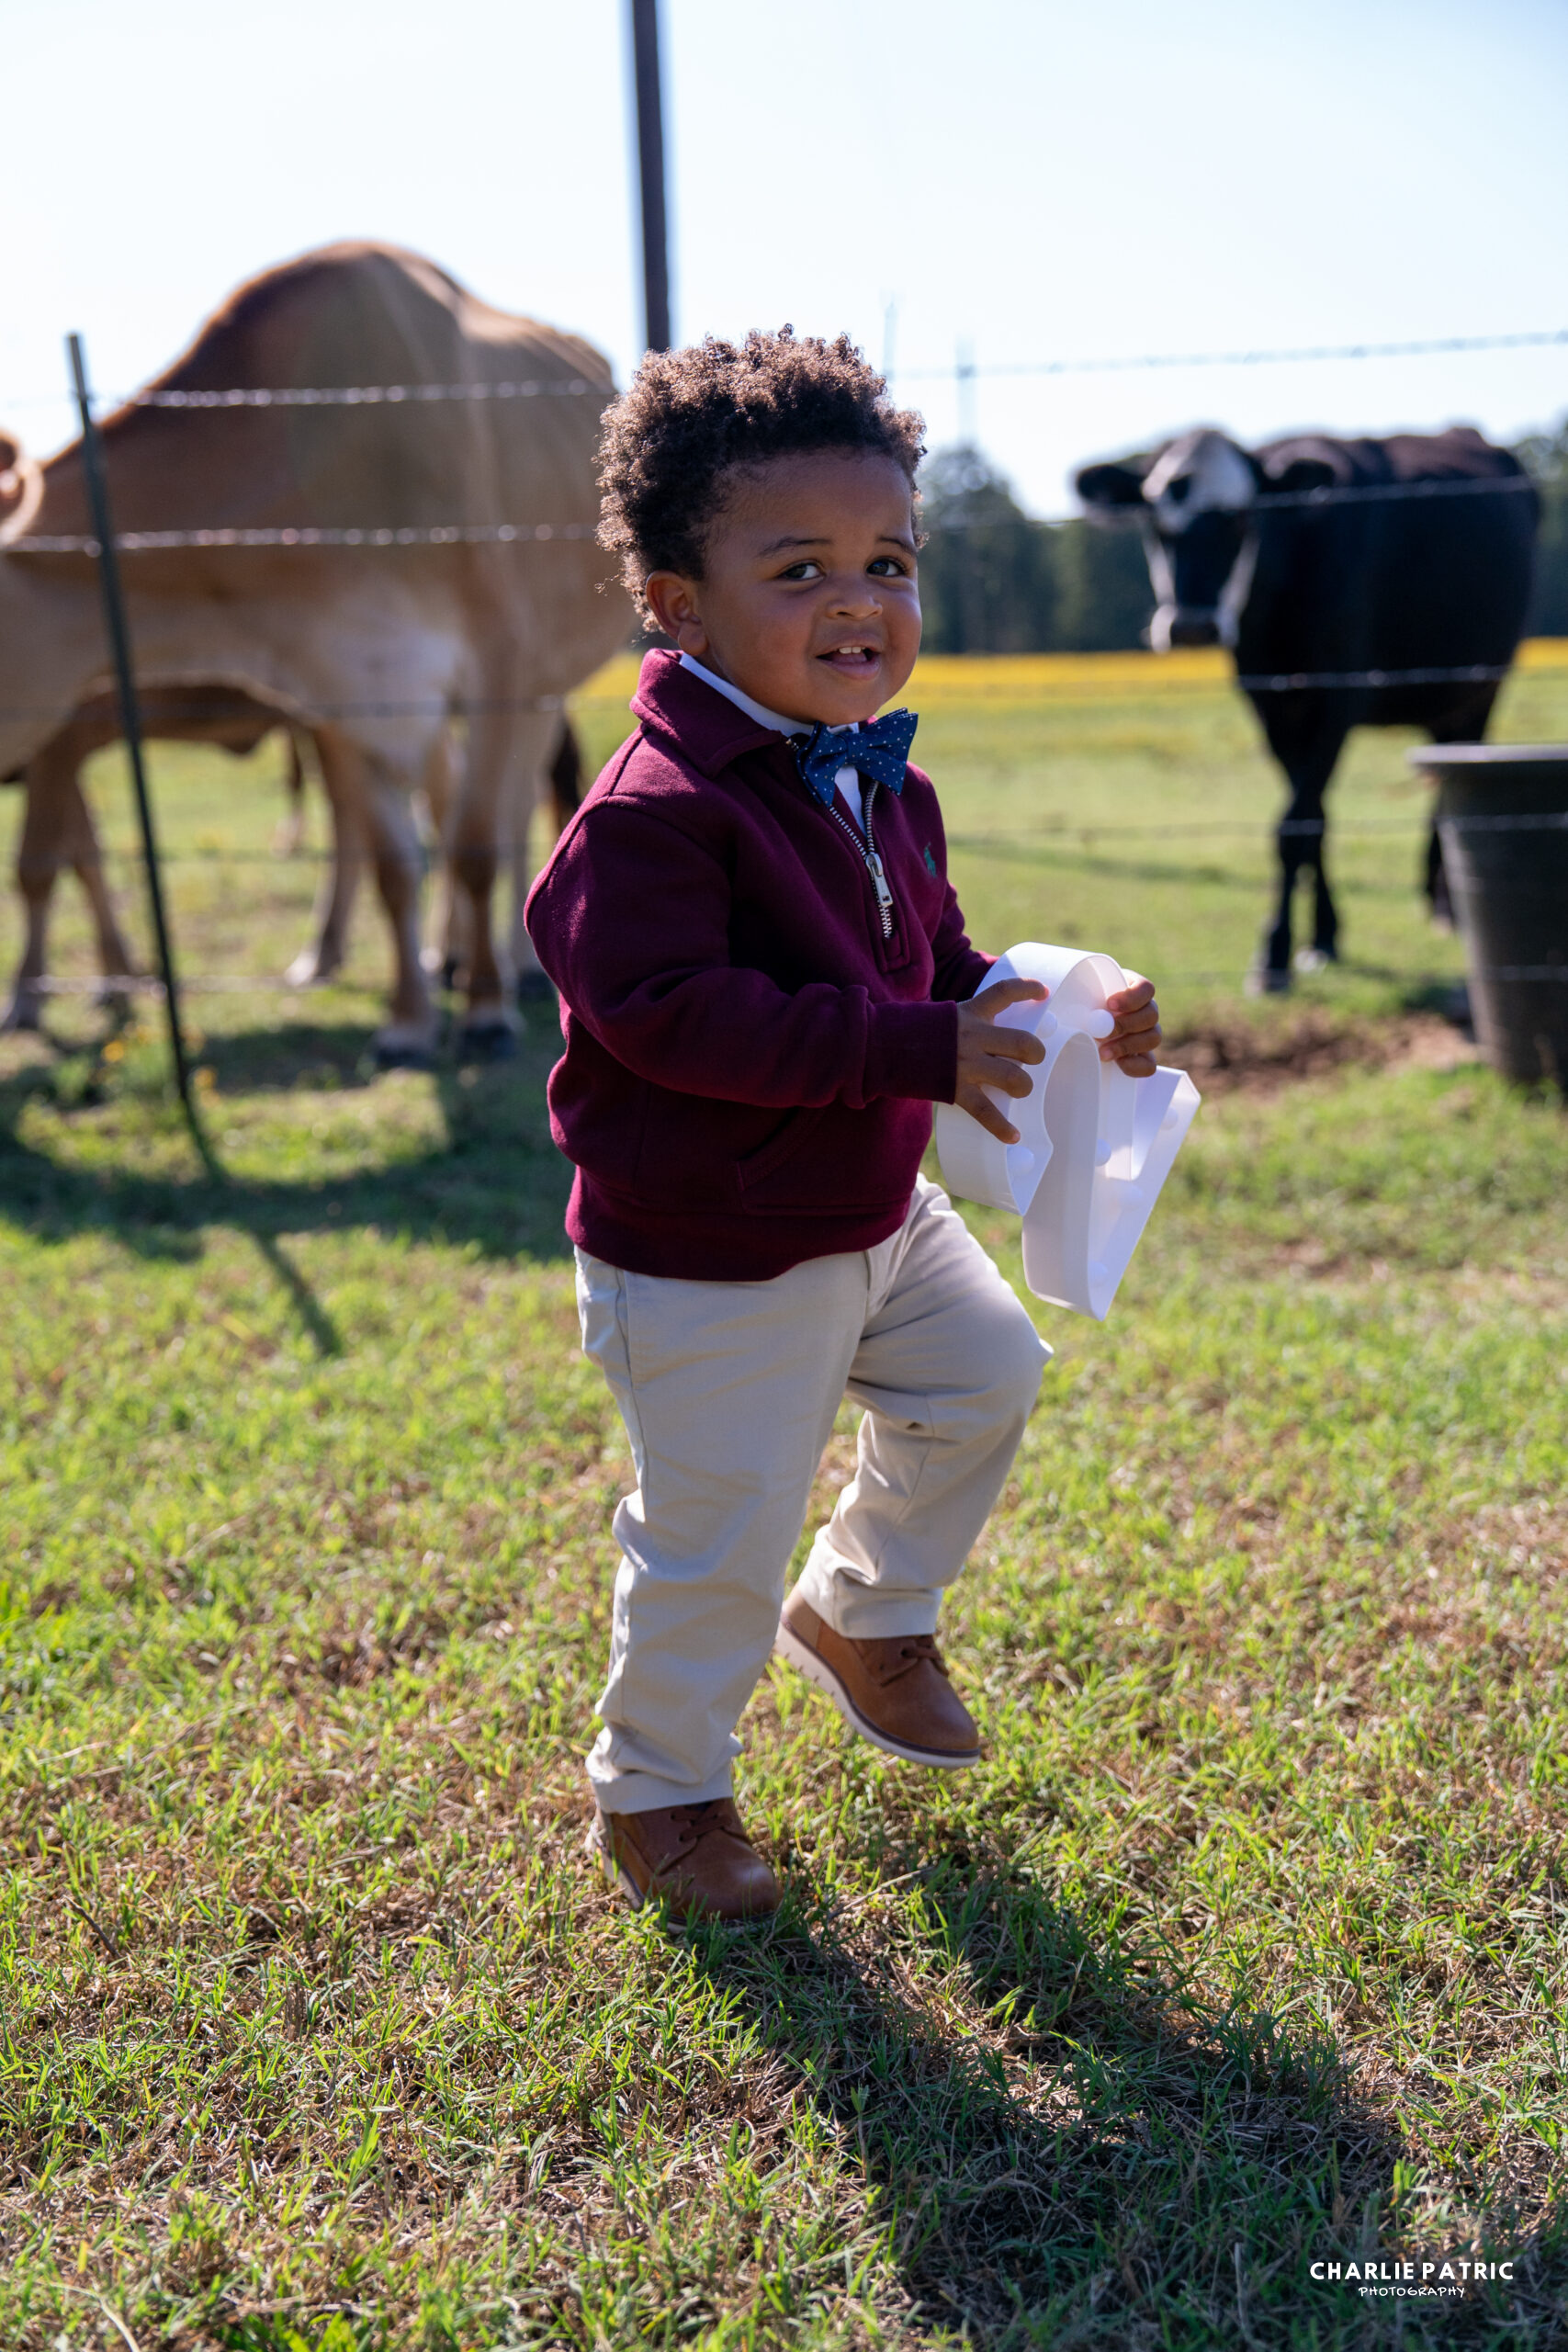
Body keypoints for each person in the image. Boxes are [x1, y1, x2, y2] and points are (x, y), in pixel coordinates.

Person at [525, 330, 1161, 1924]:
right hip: (716, 1241)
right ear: (678, 604)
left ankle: (867, 1608)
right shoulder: (653, 818)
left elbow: (928, 961)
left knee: (987, 1376)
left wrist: (1054, 1000)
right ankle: (657, 1792)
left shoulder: (880, 783)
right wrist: (909, 1043)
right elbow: (672, 1015)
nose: (857, 600)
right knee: (715, 1536)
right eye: (797, 568)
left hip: (870, 1205)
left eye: (887, 561)